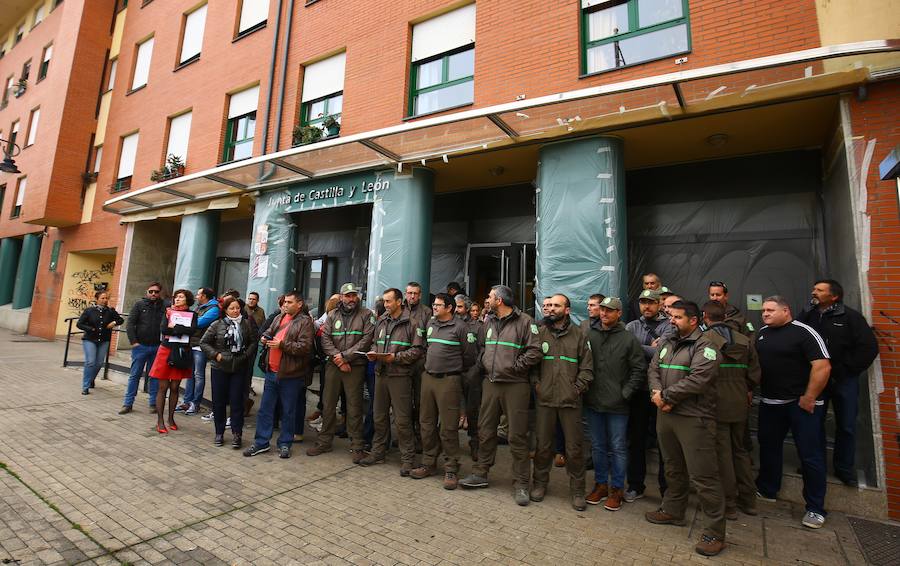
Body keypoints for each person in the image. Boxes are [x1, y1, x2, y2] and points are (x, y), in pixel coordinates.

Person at [646, 300, 725, 557]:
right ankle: (673, 510)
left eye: (678, 317)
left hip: (694, 418)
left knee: (704, 476)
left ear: (694, 320)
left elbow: (699, 379)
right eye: (671, 316)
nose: (672, 321)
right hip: (666, 414)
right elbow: (653, 369)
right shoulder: (667, 342)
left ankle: (714, 532)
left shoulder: (707, 345)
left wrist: (666, 397)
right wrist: (658, 394)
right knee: (672, 466)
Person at [459, 285, 542, 506]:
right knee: (485, 431)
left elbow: (535, 351)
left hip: (515, 385)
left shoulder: (525, 322)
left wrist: (515, 368)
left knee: (517, 436)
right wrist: (479, 370)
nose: (487, 299)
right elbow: (484, 348)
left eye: (490, 296)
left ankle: (522, 483)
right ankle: (480, 473)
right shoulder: (490, 321)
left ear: (500, 300)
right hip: (491, 384)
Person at [755, 295, 831, 529]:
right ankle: (767, 489)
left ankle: (815, 508)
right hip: (770, 402)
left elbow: (822, 366)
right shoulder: (761, 333)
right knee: (768, 447)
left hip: (801, 404)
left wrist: (809, 396)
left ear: (786, 310)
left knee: (810, 455)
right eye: (763, 310)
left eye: (770, 310)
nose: (765, 314)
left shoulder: (804, 332)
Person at [797, 279, 878, 487]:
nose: (813, 292)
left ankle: (844, 469)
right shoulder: (808, 315)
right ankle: (813, 464)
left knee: (846, 425)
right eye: (814, 288)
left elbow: (868, 348)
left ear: (834, 296)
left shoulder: (850, 317)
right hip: (815, 380)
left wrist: (844, 370)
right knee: (813, 424)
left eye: (819, 290)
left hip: (843, 380)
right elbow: (796, 339)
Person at [531, 294, 593, 511]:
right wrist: (537, 385)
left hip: (570, 401)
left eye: (557, 306)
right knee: (543, 446)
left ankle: (577, 491)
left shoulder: (579, 335)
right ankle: (539, 484)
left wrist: (576, 390)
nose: (551, 309)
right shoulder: (540, 333)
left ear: (567, 310)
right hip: (545, 399)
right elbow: (533, 364)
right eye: (550, 306)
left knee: (574, 449)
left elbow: (587, 369)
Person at [583, 297, 646, 512]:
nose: (604, 314)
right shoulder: (589, 335)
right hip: (593, 402)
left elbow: (639, 370)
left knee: (618, 448)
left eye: (609, 311)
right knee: (598, 446)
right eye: (602, 310)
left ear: (619, 313)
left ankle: (617, 489)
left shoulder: (628, 339)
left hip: (618, 405)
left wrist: (625, 393)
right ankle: (601, 485)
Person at [409, 293, 476, 487]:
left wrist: (452, 369)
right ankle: (428, 463)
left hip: (449, 381)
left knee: (448, 427)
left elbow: (469, 356)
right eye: (434, 304)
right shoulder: (430, 324)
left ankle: (451, 468)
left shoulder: (461, 327)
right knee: (426, 424)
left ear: (449, 308)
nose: (434, 307)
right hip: (428, 379)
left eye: (438, 305)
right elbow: (426, 348)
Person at [702, 300, 760, 519]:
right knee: (741, 451)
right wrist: (746, 388)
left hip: (716, 402)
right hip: (739, 402)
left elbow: (702, 374)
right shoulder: (745, 340)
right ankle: (749, 500)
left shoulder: (705, 340)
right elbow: (754, 374)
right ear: (725, 317)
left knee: (722, 453)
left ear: (705, 317)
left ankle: (729, 503)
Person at [359, 288, 424, 474]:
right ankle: (378, 452)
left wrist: (394, 358)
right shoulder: (381, 321)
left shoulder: (412, 323)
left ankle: (408, 458)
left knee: (403, 420)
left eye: (389, 301)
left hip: (400, 376)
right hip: (381, 374)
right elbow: (374, 342)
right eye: (384, 301)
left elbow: (417, 351)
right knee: (379, 416)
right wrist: (373, 352)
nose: (385, 305)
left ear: (399, 302)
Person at [307, 283, 375, 463]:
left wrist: (345, 357)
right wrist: (337, 357)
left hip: (355, 366)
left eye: (353, 295)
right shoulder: (332, 314)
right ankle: (324, 441)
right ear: (341, 297)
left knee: (354, 406)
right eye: (347, 296)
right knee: (328, 404)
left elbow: (367, 340)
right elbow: (325, 338)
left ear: (358, 297)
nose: (351, 299)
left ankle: (357, 445)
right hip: (333, 365)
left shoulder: (366, 315)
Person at [245, 291, 314, 459]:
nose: (285, 305)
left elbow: (305, 347)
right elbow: (268, 331)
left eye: (289, 302)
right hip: (271, 372)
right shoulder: (279, 317)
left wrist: (282, 345)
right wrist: (265, 338)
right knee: (265, 410)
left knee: (288, 411)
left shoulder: (305, 322)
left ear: (299, 304)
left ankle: (285, 444)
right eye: (284, 302)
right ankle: (261, 443)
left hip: (290, 374)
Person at [623, 288, 673, 501]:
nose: (647, 306)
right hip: (637, 391)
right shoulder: (632, 325)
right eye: (643, 302)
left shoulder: (669, 326)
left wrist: (639, 347)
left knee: (664, 442)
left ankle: (666, 490)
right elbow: (626, 351)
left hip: (661, 391)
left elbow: (664, 353)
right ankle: (635, 485)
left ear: (659, 305)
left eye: (651, 302)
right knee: (636, 440)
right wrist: (649, 348)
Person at [201, 296, 258, 449]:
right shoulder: (216, 324)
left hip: (239, 368)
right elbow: (204, 342)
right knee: (219, 402)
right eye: (232, 308)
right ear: (225, 310)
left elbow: (254, 341)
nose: (235, 311)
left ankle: (237, 433)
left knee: (237, 402)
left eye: (237, 308)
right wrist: (216, 355)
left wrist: (246, 356)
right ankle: (219, 432)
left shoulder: (246, 324)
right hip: (220, 368)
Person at [148, 289, 197, 434]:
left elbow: (192, 330)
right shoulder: (168, 312)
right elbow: (164, 329)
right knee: (163, 387)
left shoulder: (193, 314)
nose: (177, 299)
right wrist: (181, 329)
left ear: (187, 300)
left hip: (182, 352)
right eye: (176, 297)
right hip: (166, 350)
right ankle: (160, 421)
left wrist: (175, 328)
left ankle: (171, 418)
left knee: (175, 387)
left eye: (181, 297)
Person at [121, 282, 166, 414]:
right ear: (147, 292)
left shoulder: (164, 306)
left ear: (160, 293)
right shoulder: (139, 305)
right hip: (140, 347)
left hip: (157, 347)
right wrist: (134, 342)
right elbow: (130, 324)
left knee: (154, 377)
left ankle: (153, 403)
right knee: (134, 376)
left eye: (156, 292)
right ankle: (127, 404)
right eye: (151, 291)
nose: (153, 294)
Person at [177, 287, 220, 415]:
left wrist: (183, 321)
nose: (196, 296)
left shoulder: (213, 309)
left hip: (201, 346)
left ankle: (195, 403)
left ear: (204, 296)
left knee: (198, 375)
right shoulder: (199, 307)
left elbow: (198, 323)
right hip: (192, 343)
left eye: (198, 294)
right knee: (190, 374)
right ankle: (187, 401)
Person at [77, 290, 125, 395]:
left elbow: (121, 320)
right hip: (90, 339)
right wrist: (91, 329)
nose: (104, 300)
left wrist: (114, 323)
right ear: (97, 299)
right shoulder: (89, 311)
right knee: (90, 362)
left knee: (99, 363)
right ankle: (85, 386)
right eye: (102, 298)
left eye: (106, 298)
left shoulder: (110, 311)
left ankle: (91, 379)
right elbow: (79, 324)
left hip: (104, 340)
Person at [456, 294, 484, 459]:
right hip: (453, 372)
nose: (457, 310)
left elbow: (483, 349)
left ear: (466, 308)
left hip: (472, 373)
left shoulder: (478, 327)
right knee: (451, 409)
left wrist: (476, 369)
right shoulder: (451, 323)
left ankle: (475, 442)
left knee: (473, 410)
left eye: (460, 307)